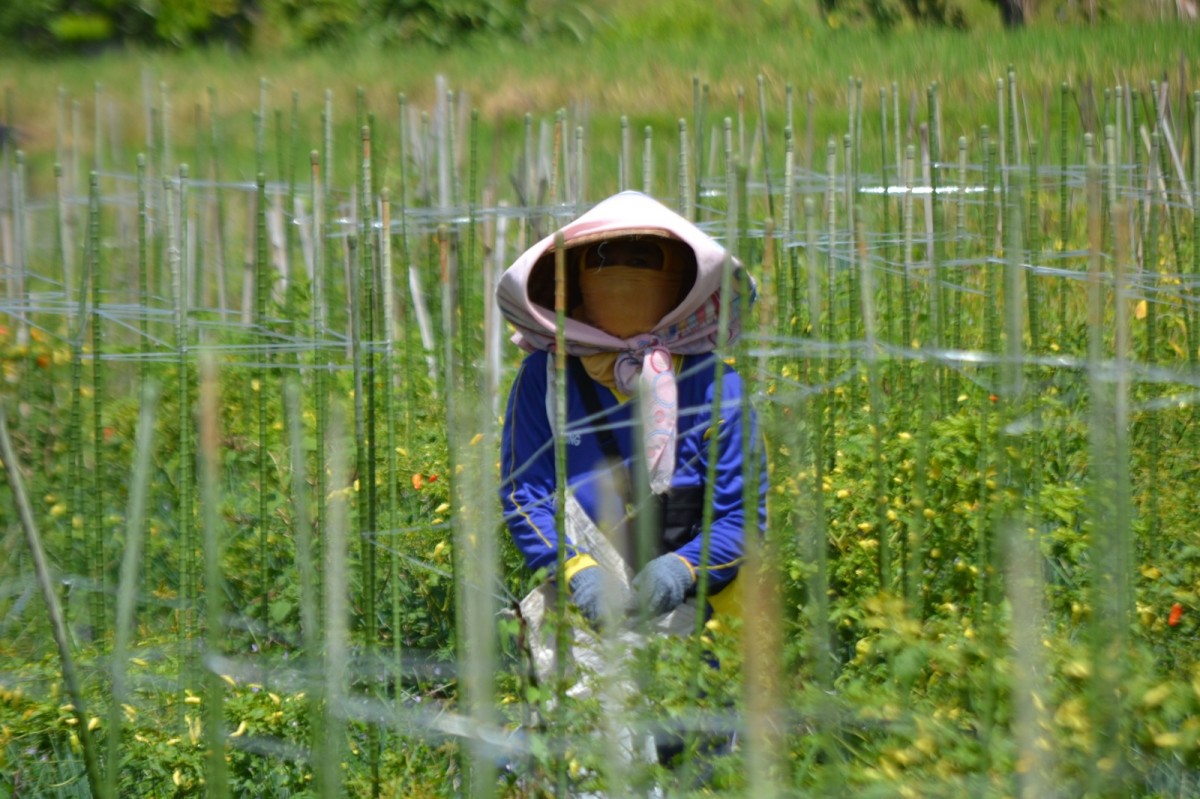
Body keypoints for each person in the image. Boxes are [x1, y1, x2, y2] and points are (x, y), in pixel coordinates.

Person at [496, 191, 767, 630]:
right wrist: (574, 571)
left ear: (682, 283)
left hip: (700, 617)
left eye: (643, 260)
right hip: (579, 615)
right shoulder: (545, 376)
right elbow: (524, 493)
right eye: (603, 260)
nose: (623, 275)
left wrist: (683, 568)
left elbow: (741, 518)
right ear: (576, 279)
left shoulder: (716, 385)